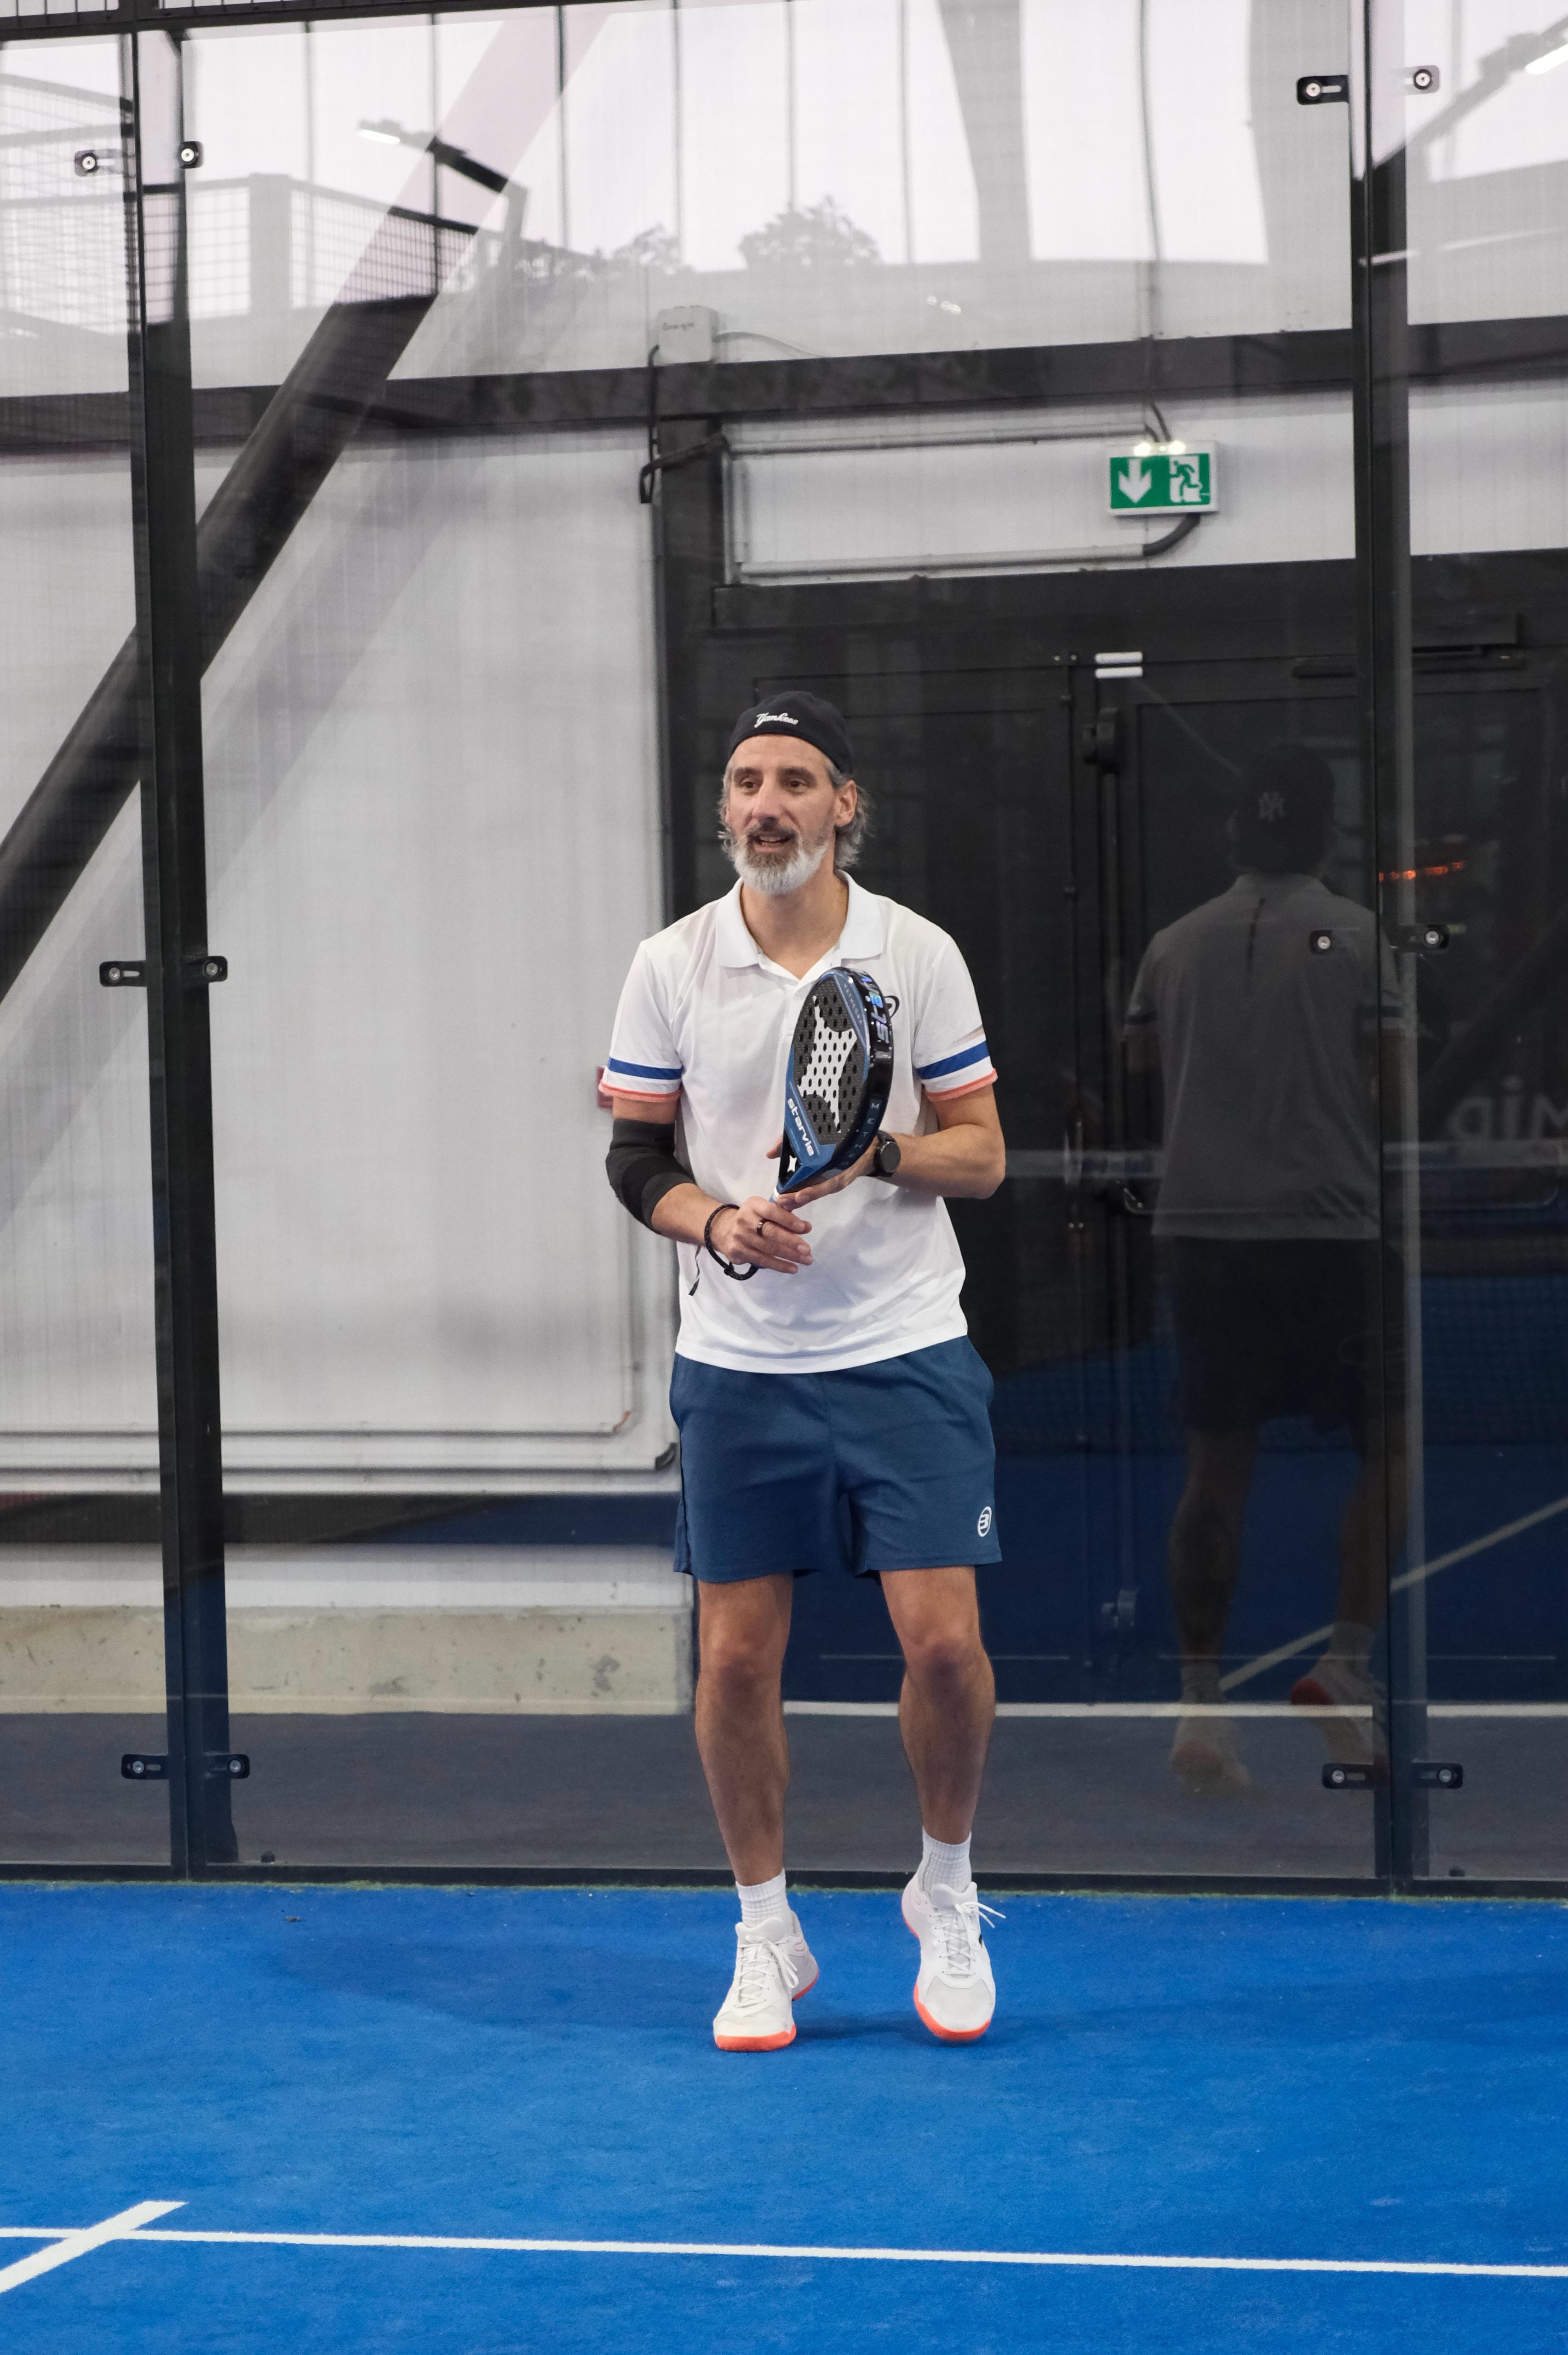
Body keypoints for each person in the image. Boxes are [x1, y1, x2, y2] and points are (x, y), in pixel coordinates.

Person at [603, 690, 1006, 2050]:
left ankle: (944, 1889)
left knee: (944, 1648)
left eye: (793, 781)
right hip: (738, 1366)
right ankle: (764, 1928)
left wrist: (878, 1154)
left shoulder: (917, 952)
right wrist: (717, 1223)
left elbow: (982, 1153)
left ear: (844, 805)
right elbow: (634, 1158)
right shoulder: (670, 962)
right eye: (745, 783)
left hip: (907, 1351)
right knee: (733, 1666)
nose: (765, 805)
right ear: (725, 808)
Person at [1123, 744, 1405, 1796]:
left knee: (1215, 1468)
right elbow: (1394, 1085)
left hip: (1206, 1241)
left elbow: (1143, 1068)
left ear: (1235, 832)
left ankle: (1201, 1706)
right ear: (1326, 832)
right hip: (1333, 1236)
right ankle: (1345, 1661)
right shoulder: (1362, 940)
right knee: (1393, 1450)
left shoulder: (1171, 947)